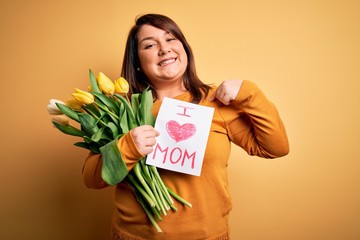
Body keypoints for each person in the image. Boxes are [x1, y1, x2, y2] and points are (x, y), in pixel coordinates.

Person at [82, 13, 289, 240]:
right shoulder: (122, 110)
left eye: (170, 39)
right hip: (134, 236)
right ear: (137, 63)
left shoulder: (217, 101)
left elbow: (275, 148)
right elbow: (91, 178)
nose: (164, 48)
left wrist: (250, 92)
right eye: (150, 45)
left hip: (208, 235)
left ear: (185, 49)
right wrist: (129, 146)